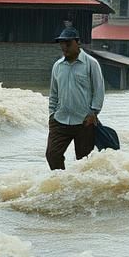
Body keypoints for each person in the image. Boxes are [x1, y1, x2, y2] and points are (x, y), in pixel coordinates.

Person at [46, 25, 104, 169]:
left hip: (84, 121)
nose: (64, 47)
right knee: (52, 155)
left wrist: (94, 113)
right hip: (60, 120)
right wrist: (52, 114)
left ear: (77, 43)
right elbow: (53, 93)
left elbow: (99, 90)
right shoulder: (58, 66)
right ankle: (61, 185)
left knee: (83, 162)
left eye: (68, 43)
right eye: (61, 43)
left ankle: (80, 190)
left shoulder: (91, 63)